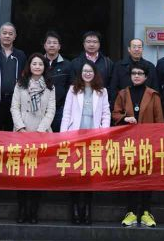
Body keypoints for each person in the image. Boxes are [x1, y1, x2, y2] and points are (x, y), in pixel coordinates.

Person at [111, 60, 162, 228]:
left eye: (140, 74)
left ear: (146, 77)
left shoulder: (153, 95)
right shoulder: (123, 93)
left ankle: (146, 212)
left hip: (148, 142)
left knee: (147, 176)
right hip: (129, 142)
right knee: (130, 175)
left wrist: (158, 142)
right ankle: (131, 212)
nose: (137, 76)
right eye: (134, 73)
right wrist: (125, 118)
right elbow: (115, 113)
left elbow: (159, 120)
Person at [61, 62, 110, 225]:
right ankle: (75, 209)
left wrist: (103, 131)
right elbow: (66, 113)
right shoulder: (73, 89)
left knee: (89, 174)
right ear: (80, 73)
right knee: (74, 174)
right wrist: (63, 135)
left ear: (95, 73)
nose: (87, 73)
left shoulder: (102, 91)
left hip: (93, 137)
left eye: (90, 71)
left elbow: (106, 113)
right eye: (84, 71)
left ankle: (87, 209)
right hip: (75, 136)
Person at [10, 53, 56, 224]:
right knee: (21, 174)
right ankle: (22, 210)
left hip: (42, 133)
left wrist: (40, 130)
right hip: (21, 132)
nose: (37, 67)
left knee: (38, 174)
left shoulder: (50, 86)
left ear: (45, 67)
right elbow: (14, 107)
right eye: (34, 64)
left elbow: (51, 110)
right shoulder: (20, 84)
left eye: (40, 64)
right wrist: (20, 127)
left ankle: (34, 211)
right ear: (29, 66)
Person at [0, 22, 27, 131]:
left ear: (15, 36)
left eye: (10, 34)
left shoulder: (20, 55)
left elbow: (25, 76)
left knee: (12, 132)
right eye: (4, 33)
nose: (7, 36)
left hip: (15, 101)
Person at [108, 38, 158, 105]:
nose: (137, 49)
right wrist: (116, 105)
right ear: (129, 49)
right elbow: (113, 88)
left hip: (145, 105)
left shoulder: (150, 66)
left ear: (142, 49)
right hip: (124, 104)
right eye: (134, 47)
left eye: (139, 47)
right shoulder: (119, 66)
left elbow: (155, 88)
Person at [43, 31, 72, 132]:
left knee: (58, 136)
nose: (52, 45)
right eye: (49, 42)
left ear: (59, 46)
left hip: (60, 109)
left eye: (55, 43)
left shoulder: (67, 65)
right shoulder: (38, 63)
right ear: (45, 46)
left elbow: (70, 87)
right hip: (40, 109)